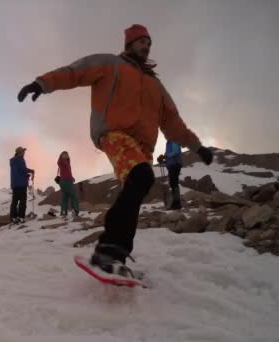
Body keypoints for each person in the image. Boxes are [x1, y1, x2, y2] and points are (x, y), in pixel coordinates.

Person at [17, 24, 213, 277]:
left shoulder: (156, 87)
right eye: (142, 41)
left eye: (149, 42)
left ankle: (114, 257)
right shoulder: (110, 64)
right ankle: (108, 249)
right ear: (129, 43)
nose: (147, 45)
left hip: (143, 147)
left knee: (137, 188)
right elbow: (75, 72)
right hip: (114, 133)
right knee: (142, 177)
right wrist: (41, 84)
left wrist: (198, 146)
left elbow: (173, 123)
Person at [10, 146, 35, 224]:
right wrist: (30, 172)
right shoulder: (20, 159)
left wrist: (27, 172)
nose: (24, 153)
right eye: (23, 151)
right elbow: (23, 170)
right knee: (22, 201)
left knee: (15, 201)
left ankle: (13, 217)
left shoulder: (13, 161)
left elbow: (19, 171)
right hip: (21, 184)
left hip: (14, 184)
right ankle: (21, 217)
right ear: (19, 152)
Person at [157, 140, 184, 209]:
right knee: (173, 182)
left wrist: (165, 157)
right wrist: (164, 159)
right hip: (173, 164)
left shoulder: (173, 140)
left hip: (175, 164)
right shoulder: (169, 142)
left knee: (173, 182)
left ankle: (176, 203)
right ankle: (176, 202)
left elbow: (175, 152)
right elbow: (170, 156)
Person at [57, 151, 80, 218]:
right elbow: (60, 162)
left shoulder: (67, 162)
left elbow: (67, 172)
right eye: (64, 154)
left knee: (65, 196)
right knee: (73, 195)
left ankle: (64, 211)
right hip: (66, 181)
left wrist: (71, 177)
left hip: (66, 181)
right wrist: (64, 159)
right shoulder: (61, 161)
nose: (66, 155)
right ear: (61, 156)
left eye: (67, 154)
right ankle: (75, 210)